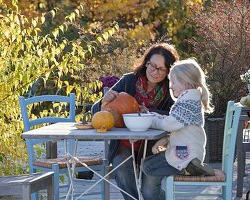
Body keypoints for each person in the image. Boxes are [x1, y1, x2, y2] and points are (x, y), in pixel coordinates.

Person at [91, 43, 179, 199]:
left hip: (155, 148)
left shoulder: (172, 90)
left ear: (168, 71)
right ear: (146, 63)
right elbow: (95, 112)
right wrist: (103, 101)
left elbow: (174, 116)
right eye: (152, 65)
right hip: (124, 145)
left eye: (161, 69)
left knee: (150, 191)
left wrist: (148, 113)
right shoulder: (129, 81)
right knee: (122, 170)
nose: (155, 71)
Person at [142, 58, 215, 200]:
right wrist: (153, 115)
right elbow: (174, 122)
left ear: (185, 83)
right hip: (185, 150)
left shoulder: (187, 102)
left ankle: (187, 169)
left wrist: (150, 120)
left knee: (148, 167)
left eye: (174, 82)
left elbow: (170, 124)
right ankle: (188, 168)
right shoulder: (190, 100)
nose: (171, 86)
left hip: (186, 153)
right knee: (151, 167)